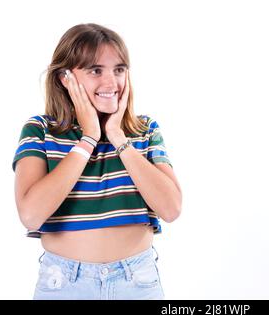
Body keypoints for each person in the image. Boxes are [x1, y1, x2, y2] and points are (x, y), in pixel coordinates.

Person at [12, 23, 182, 300]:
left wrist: (117, 136)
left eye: (119, 69)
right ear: (64, 78)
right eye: (95, 70)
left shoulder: (145, 130)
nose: (111, 83)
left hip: (137, 282)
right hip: (65, 284)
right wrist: (88, 138)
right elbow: (31, 215)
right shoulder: (40, 130)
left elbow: (171, 208)